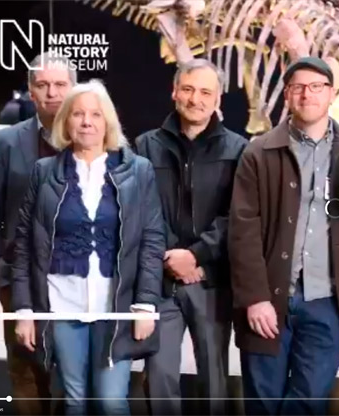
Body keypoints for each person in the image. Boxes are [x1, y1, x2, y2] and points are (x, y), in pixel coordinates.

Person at [10, 79, 165, 415]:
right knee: (75, 400)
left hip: (117, 306)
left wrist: (145, 304)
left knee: (111, 401)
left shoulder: (138, 172)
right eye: (78, 114)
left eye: (95, 114)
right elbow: (24, 246)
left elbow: (152, 240)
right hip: (62, 304)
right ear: (66, 121)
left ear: (108, 121)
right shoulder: (43, 173)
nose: (86, 122)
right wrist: (24, 310)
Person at [228, 56, 339, 415]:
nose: (307, 94)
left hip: (327, 301)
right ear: (287, 94)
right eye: (298, 87)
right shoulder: (258, 151)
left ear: (332, 93)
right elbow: (243, 230)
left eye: (317, 87)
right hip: (269, 299)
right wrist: (255, 298)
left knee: (310, 400)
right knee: (263, 401)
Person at [134, 58, 248, 415]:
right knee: (159, 377)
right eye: (187, 89)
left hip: (211, 280)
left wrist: (197, 255)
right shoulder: (144, 146)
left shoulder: (239, 150)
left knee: (214, 379)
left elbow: (237, 215)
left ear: (217, 99)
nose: (195, 99)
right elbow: (142, 208)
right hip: (160, 280)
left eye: (205, 92)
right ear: (174, 92)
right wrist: (172, 256)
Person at [0, 52, 75, 415]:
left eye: (60, 84)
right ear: (31, 92)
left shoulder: (91, 136)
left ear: (73, 88)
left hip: (76, 278)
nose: (52, 92)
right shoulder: (6, 142)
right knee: (25, 369)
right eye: (43, 85)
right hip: (18, 278)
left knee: (73, 373)